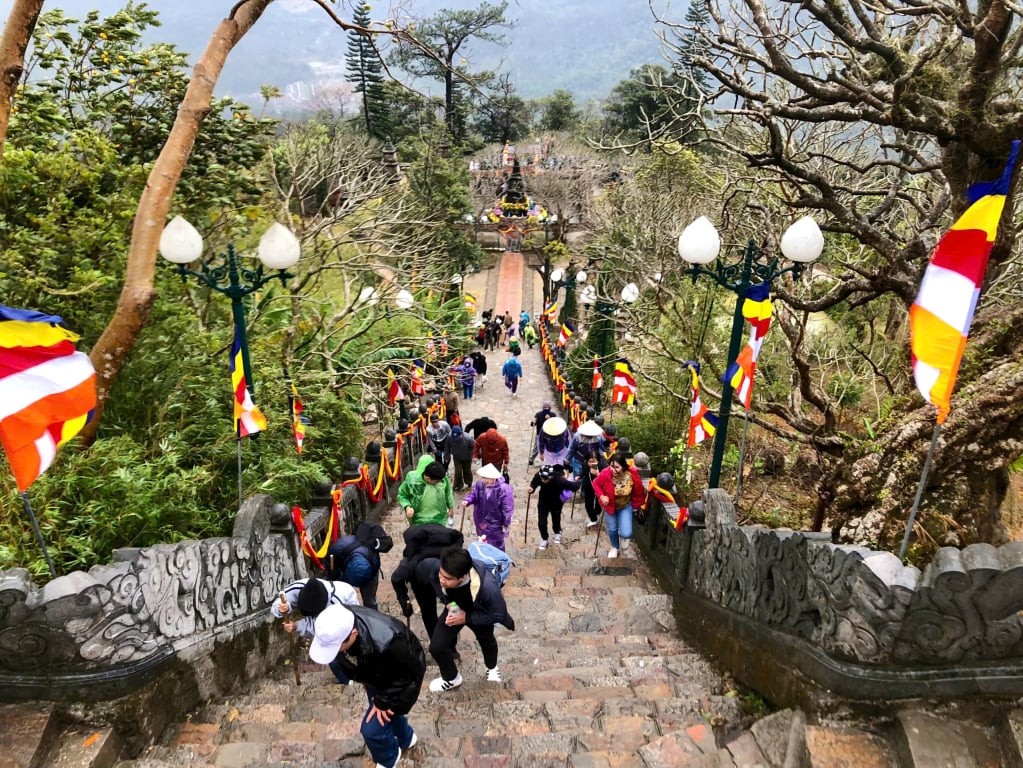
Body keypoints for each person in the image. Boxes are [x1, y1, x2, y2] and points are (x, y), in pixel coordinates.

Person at [310, 604, 426, 768]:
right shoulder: (338, 620)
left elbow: (407, 675)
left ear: (353, 634)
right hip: (377, 674)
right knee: (388, 715)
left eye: (335, 648)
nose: (333, 654)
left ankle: (389, 758)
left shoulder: (389, 642)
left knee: (372, 731)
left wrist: (383, 701)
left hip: (400, 683)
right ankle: (406, 739)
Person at [427, 545, 515, 692]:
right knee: (437, 647)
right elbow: (434, 580)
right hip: (455, 606)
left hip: (479, 610)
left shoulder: (488, 588)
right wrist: (447, 603)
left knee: (486, 640)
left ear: (462, 577)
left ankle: (492, 668)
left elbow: (498, 614)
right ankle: (451, 677)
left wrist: (466, 618)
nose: (442, 579)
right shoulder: (441, 569)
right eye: (441, 575)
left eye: (447, 579)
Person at [272, 578, 360, 684]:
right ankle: (346, 680)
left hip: (348, 621)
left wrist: (297, 626)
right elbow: (278, 603)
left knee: (341, 646)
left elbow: (320, 627)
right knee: (328, 652)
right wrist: (282, 608)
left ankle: (359, 674)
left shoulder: (337, 603)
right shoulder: (296, 589)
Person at [390, 523, 464, 640]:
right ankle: (438, 640)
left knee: (447, 611)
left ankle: (445, 643)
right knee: (430, 611)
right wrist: (405, 602)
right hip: (422, 585)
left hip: (444, 582)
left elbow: (396, 578)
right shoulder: (411, 563)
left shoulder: (451, 562)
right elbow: (396, 578)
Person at [591, 451, 647, 558]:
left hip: (625, 506)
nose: (613, 470)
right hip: (610, 506)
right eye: (612, 466)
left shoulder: (631, 475)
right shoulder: (606, 473)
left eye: (617, 467)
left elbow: (638, 490)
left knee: (627, 533)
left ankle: (622, 536)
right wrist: (602, 496)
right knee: (612, 529)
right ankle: (614, 547)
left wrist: (637, 505)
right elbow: (596, 484)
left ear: (623, 466)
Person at [461, 463, 514, 550]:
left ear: (494, 478)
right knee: (483, 540)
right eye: (484, 477)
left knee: (497, 544)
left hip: (496, 522)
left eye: (488, 478)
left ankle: (498, 560)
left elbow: (507, 508)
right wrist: (468, 500)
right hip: (481, 520)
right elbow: (474, 495)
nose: (485, 480)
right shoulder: (479, 485)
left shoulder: (504, 489)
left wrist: (506, 522)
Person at [326, 530, 384, 610]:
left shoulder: (374, 561)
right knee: (343, 597)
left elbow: (374, 577)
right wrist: (332, 573)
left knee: (370, 601)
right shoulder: (338, 549)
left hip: (368, 576)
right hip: (344, 568)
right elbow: (328, 562)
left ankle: (372, 614)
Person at [527, 464, 581, 549]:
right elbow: (534, 483)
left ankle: (557, 532)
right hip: (543, 501)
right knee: (542, 522)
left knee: (556, 518)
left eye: (545, 479)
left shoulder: (558, 480)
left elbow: (573, 486)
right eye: (542, 478)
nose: (543, 480)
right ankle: (544, 538)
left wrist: (578, 481)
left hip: (556, 502)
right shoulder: (539, 476)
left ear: (551, 477)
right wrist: (532, 489)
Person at [397, 455, 455, 527]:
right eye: (437, 481)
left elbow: (448, 492)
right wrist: (407, 507)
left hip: (439, 519)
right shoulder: (412, 479)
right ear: (428, 478)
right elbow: (402, 495)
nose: (439, 482)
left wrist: (451, 507)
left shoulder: (441, 477)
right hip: (418, 520)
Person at [449, 425, 476, 492]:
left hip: (467, 457)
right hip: (457, 457)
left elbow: (473, 448)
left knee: (467, 470)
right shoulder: (450, 437)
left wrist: (472, 456)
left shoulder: (469, 438)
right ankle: (458, 485)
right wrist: (447, 455)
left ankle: (469, 482)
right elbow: (447, 446)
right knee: (458, 471)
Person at [528, 401, 554, 465]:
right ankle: (531, 459)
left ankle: (551, 460)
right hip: (539, 434)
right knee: (536, 447)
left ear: (550, 408)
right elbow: (533, 424)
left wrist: (550, 419)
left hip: (549, 435)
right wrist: (533, 421)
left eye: (548, 407)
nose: (546, 408)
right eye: (545, 407)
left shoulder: (553, 415)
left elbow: (555, 424)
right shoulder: (538, 414)